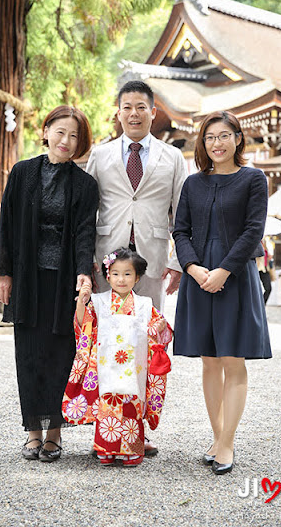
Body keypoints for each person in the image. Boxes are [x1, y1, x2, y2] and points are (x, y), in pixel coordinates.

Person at [86, 79, 186, 456]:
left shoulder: (172, 157)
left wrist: (176, 262)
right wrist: (88, 259)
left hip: (153, 262)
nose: (133, 113)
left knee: (144, 342)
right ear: (118, 112)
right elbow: (88, 211)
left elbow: (182, 214)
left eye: (141, 107)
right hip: (106, 262)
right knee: (107, 343)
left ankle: (139, 428)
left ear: (153, 112)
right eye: (126, 106)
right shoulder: (101, 154)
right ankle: (107, 428)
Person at [0, 106, 98, 462]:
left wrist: (84, 272)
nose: (66, 141)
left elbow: (85, 233)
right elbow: (6, 224)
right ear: (46, 130)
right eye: (60, 132)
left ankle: (54, 433)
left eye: (74, 136)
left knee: (60, 354)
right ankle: (32, 433)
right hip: (26, 277)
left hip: (63, 281)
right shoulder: (22, 173)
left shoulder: (85, 184)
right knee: (28, 353)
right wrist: (2, 272)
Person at [173, 110, 272, 475]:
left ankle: (227, 444)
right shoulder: (193, 183)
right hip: (198, 277)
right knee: (209, 361)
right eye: (210, 137)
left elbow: (253, 230)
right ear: (203, 142)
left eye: (224, 136)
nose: (217, 143)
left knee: (233, 360)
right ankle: (217, 437)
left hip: (236, 275)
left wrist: (223, 270)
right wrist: (196, 269)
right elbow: (180, 231)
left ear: (238, 139)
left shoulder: (254, 179)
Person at [62, 247, 172, 466]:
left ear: (137, 277)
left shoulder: (144, 304)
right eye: (115, 274)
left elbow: (158, 331)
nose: (121, 279)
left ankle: (132, 451)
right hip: (105, 364)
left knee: (131, 405)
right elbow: (85, 324)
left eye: (127, 274)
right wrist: (81, 302)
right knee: (108, 405)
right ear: (108, 276)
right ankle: (106, 449)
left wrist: (159, 327)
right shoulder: (99, 301)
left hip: (134, 366)